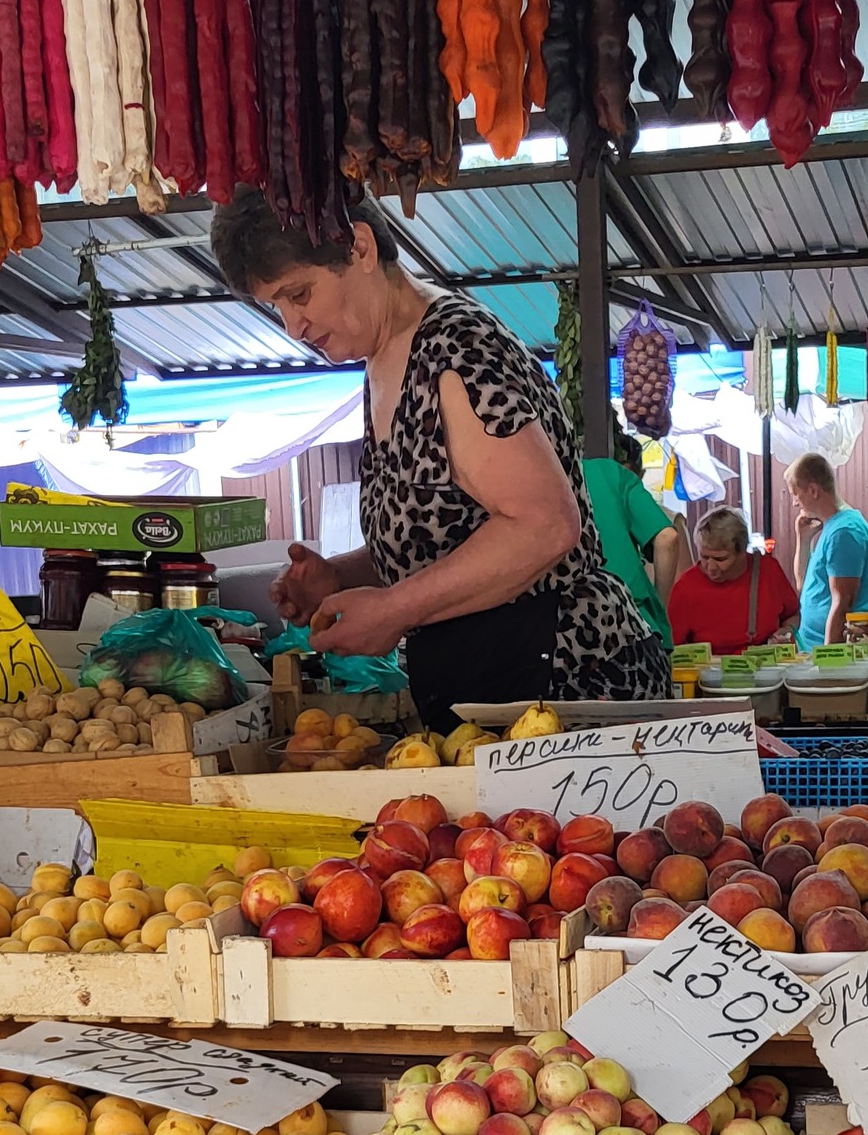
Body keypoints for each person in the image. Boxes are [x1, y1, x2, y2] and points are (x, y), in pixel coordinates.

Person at [209, 188, 673, 730]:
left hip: (569, 689)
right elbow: (446, 537)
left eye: (300, 294)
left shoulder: (457, 349)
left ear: (359, 248)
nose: (293, 326)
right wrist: (341, 575)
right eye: (278, 306)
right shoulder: (382, 358)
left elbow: (545, 524)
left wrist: (395, 610)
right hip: (494, 692)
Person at [582, 421, 683, 648]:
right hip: (636, 625)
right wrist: (658, 606)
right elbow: (668, 538)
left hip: (570, 636)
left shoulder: (530, 487)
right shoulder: (610, 473)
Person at [666, 507, 800, 655]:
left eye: (720, 559)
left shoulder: (768, 570)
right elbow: (671, 647)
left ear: (742, 552)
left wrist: (786, 632)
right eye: (704, 557)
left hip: (766, 670)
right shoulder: (686, 587)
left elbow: (793, 616)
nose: (711, 567)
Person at [787, 453, 868, 647]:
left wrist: (829, 658)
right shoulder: (832, 528)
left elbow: (843, 602)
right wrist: (803, 540)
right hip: (811, 647)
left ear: (813, 490)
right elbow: (804, 586)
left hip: (825, 650)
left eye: (796, 494)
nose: (795, 502)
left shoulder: (845, 532)